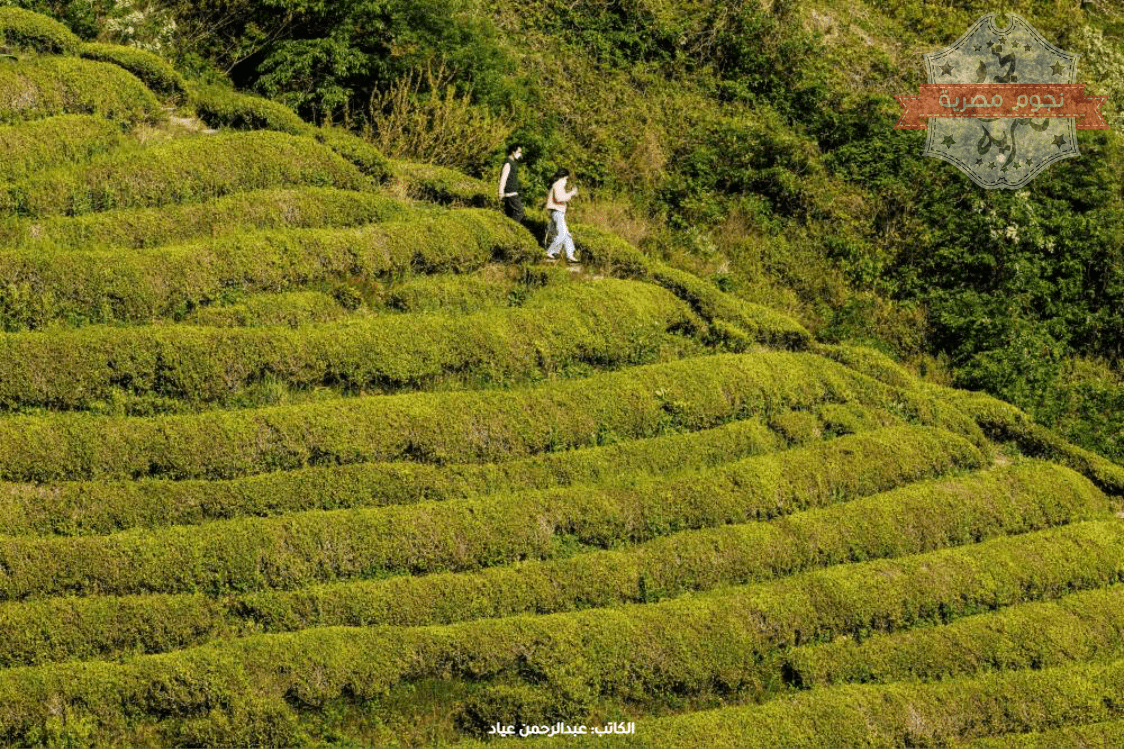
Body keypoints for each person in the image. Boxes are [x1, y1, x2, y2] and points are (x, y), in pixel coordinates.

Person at [544, 167, 579, 262]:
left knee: (566, 235)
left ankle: (570, 255)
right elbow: (559, 199)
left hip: (558, 212)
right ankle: (550, 252)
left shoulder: (557, 184)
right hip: (557, 212)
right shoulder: (558, 184)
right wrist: (571, 193)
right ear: (563, 177)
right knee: (562, 234)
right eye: (566, 178)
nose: (566, 181)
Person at [497, 144, 524, 224]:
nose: (520, 154)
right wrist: (500, 192)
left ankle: (508, 230)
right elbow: (503, 178)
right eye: (519, 152)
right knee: (519, 212)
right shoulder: (508, 163)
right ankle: (512, 229)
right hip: (510, 194)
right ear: (513, 152)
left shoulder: (513, 163)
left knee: (509, 214)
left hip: (511, 193)